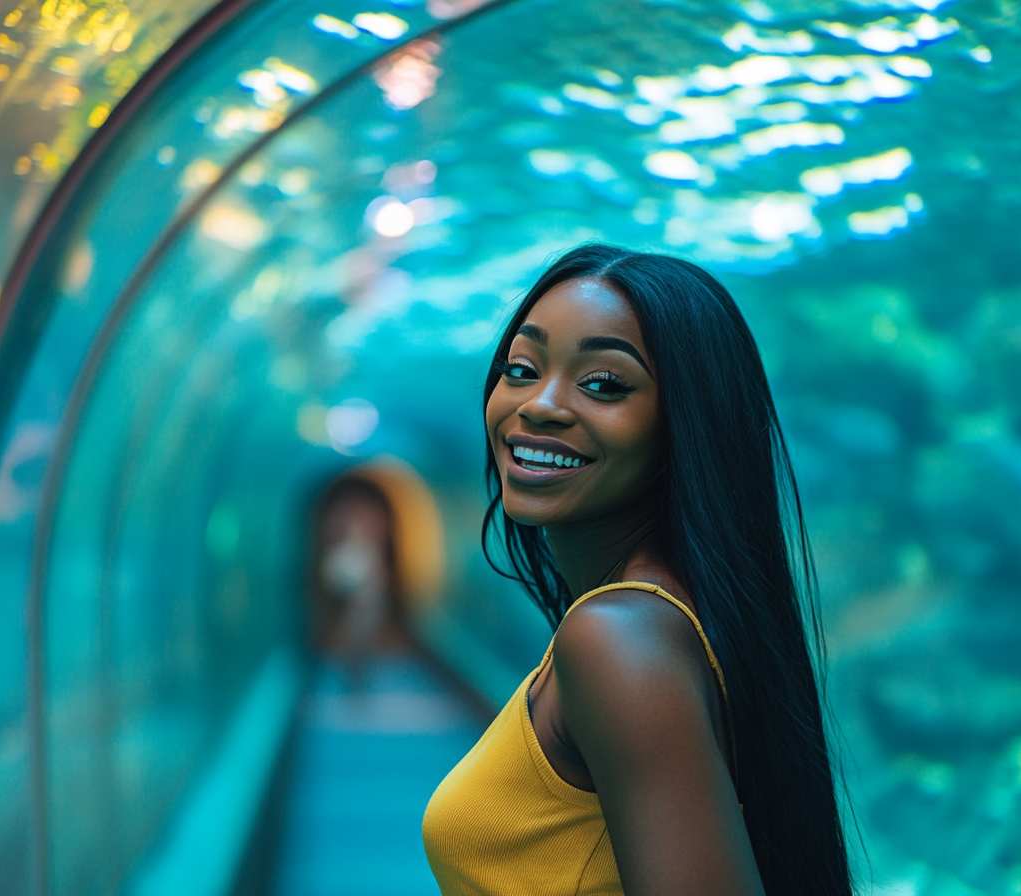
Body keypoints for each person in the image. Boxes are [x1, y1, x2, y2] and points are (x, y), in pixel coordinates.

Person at [422, 245, 853, 896]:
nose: (539, 404)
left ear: (688, 421)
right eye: (520, 368)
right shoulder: (662, 617)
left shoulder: (616, 636)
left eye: (603, 384)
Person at [312, 478, 397, 683]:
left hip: (367, 592)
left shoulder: (366, 536)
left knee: (360, 635)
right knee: (355, 635)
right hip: (358, 590)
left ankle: (357, 672)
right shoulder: (347, 536)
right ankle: (356, 672)